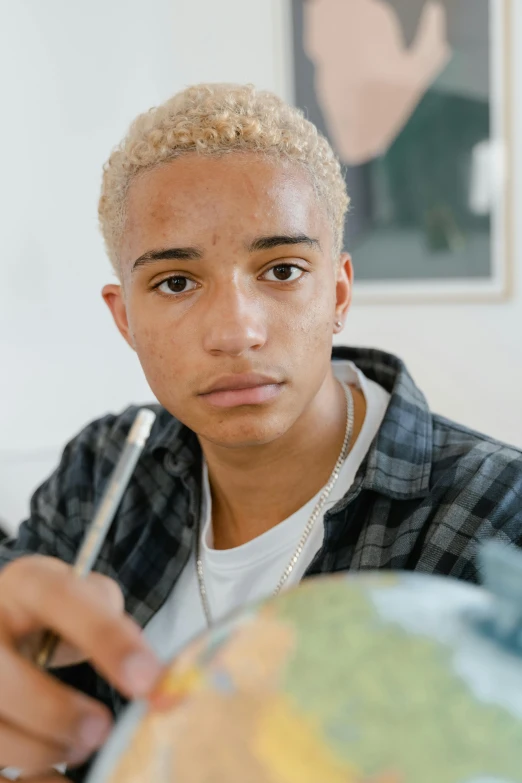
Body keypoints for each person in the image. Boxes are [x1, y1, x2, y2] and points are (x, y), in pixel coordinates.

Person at [0, 83, 520, 782]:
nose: (235, 331)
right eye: (176, 283)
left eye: (281, 270)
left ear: (336, 294)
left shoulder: (497, 515)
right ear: (125, 319)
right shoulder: (104, 469)